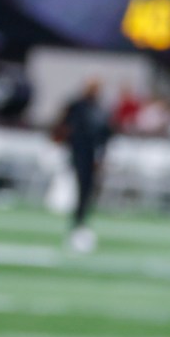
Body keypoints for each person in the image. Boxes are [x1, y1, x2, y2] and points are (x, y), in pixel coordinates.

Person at [54, 79, 111, 253]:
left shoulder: (99, 109)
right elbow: (64, 126)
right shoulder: (78, 106)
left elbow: (105, 134)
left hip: (91, 155)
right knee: (76, 188)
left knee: (87, 190)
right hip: (78, 152)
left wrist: (101, 155)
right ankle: (76, 223)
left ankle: (80, 222)